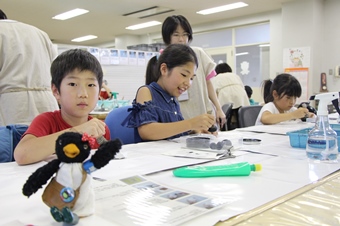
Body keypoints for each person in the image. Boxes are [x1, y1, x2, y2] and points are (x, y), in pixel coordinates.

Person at [14, 49, 111, 165]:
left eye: (91, 85)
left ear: (99, 92)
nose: (83, 94)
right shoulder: (46, 121)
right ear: (56, 91)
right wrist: (78, 131)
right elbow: (22, 155)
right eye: (72, 84)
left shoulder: (100, 129)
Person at [123, 44, 215, 142]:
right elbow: (147, 131)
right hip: (150, 155)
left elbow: (173, 131)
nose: (188, 83)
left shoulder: (173, 99)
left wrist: (194, 130)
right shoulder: (146, 92)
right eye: (184, 75)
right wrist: (190, 124)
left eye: (192, 78)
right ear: (164, 69)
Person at [161, 15, 226, 129]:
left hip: (202, 112)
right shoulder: (163, 59)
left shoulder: (198, 54)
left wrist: (219, 108)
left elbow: (208, 83)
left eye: (185, 34)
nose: (181, 39)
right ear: (168, 37)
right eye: (176, 35)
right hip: (178, 118)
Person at [0, 9, 59, 126]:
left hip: (13, 108)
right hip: (47, 103)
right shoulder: (39, 33)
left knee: (15, 142)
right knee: (48, 140)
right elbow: (55, 67)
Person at [211, 63, 249, 130]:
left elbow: (213, 93)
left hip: (225, 99)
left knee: (225, 117)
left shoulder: (216, 78)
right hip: (241, 98)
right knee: (240, 119)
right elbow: (242, 87)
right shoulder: (235, 75)